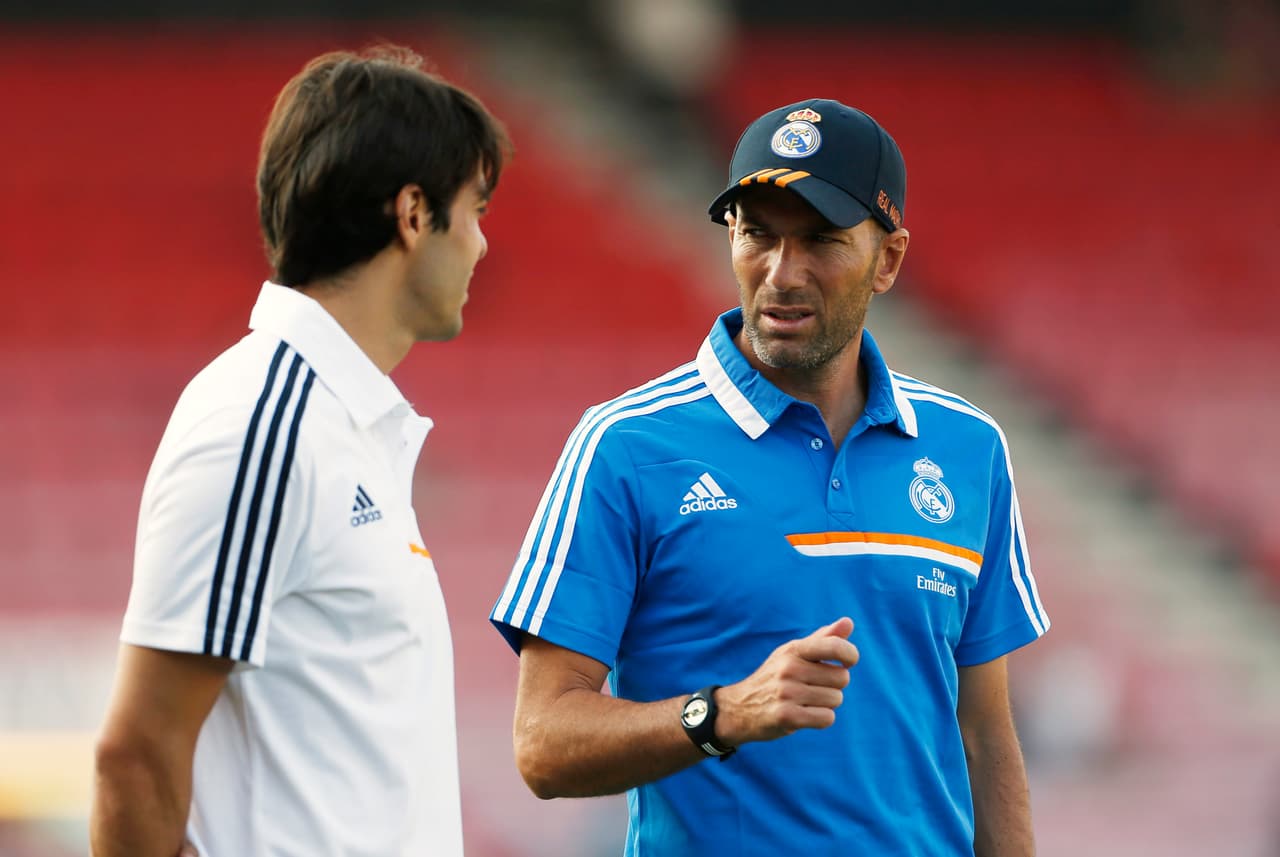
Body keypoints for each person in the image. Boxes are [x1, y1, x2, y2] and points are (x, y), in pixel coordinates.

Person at [491, 98, 1048, 855]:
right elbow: (542, 743)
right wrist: (722, 713)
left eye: (821, 239)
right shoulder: (624, 446)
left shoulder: (968, 446)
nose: (783, 274)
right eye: (757, 234)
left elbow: (984, 735)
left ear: (889, 259)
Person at [91, 45, 510, 857]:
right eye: (477, 209)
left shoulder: (338, 422)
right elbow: (135, 757)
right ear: (414, 212)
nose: (484, 245)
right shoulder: (265, 425)